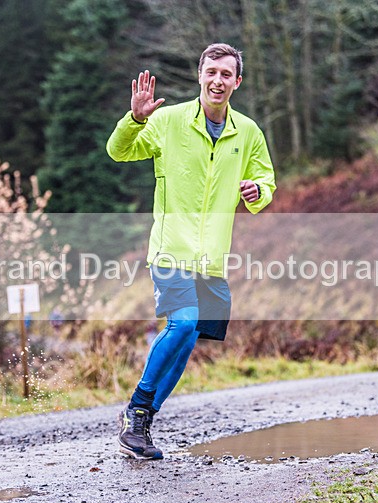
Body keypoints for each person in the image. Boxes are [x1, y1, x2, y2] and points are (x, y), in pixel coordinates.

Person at [106, 43, 276, 460]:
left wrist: (258, 192)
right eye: (211, 72)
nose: (218, 80)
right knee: (181, 325)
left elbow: (266, 182)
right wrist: (134, 120)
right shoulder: (167, 121)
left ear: (237, 81)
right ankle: (137, 410)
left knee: (188, 339)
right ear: (200, 75)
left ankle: (141, 423)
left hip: (213, 258)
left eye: (226, 74)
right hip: (171, 250)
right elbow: (119, 151)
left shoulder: (248, 132)